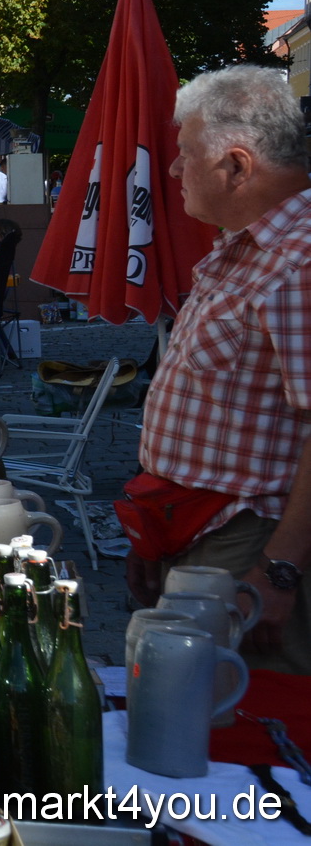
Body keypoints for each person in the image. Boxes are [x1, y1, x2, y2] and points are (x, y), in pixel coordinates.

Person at [129, 65, 311, 675]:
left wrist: (280, 568)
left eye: (185, 154)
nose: (173, 169)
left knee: (246, 715)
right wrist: (154, 532)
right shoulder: (245, 246)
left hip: (250, 540)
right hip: (196, 528)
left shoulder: (299, 260)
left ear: (235, 166)